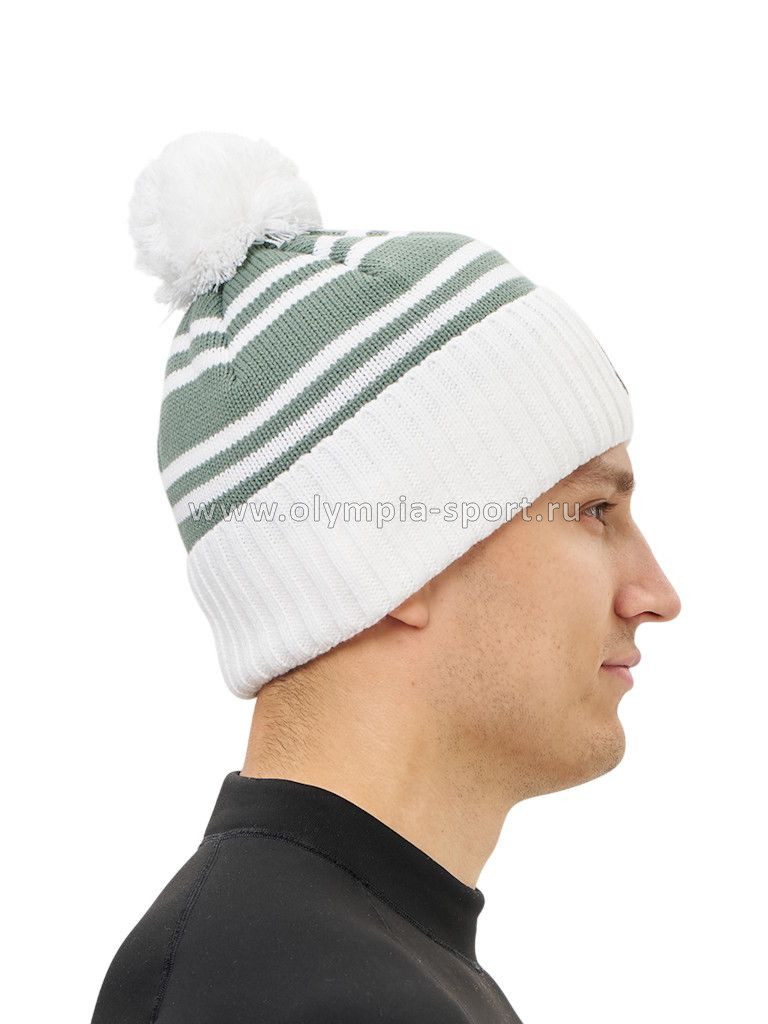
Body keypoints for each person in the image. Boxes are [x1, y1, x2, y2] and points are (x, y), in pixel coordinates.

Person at [90, 132, 681, 1024]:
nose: (657, 595)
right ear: (386, 549)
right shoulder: (300, 994)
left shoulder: (339, 966)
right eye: (595, 510)